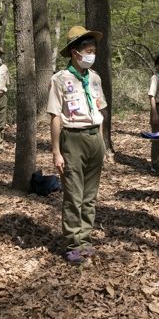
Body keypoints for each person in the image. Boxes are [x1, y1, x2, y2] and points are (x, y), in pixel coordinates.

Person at [47, 26, 107, 264]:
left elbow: (99, 110)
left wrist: (101, 142)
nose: (92, 55)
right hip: (72, 139)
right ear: (75, 52)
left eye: (93, 50)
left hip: (94, 138)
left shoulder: (95, 78)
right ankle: (72, 243)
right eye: (88, 51)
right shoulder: (60, 80)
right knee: (73, 194)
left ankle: (85, 239)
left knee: (89, 195)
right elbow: (55, 116)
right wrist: (56, 151)